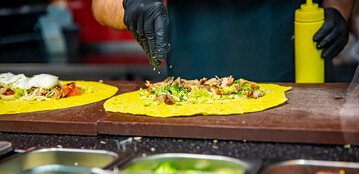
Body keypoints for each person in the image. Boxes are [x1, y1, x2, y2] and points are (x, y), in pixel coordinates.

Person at [92, 0, 355, 82]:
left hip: (298, 92)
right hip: (192, 94)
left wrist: (338, 10)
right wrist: (131, 4)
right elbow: (101, 5)